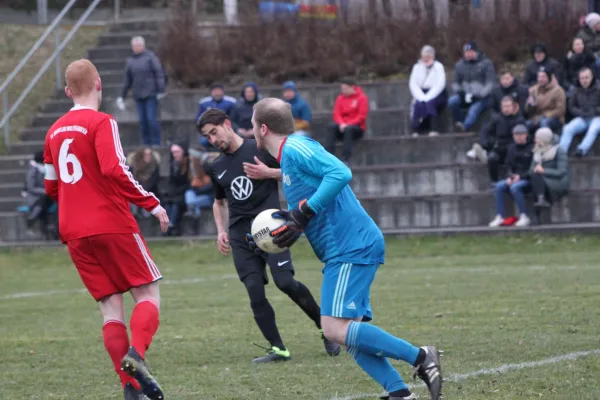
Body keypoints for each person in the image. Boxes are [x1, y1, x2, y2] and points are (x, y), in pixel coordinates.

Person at [249, 98, 443, 400]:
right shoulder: (288, 161)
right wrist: (273, 236)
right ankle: (399, 394)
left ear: (263, 128)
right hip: (347, 247)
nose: (251, 130)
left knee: (334, 329)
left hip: (351, 245)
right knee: (349, 332)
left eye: (251, 124)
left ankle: (420, 357)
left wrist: (306, 211)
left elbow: (340, 173)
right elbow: (305, 213)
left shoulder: (297, 148)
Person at [43, 59, 169, 400]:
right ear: (99, 83)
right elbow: (115, 169)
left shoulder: (53, 131)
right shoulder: (101, 122)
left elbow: (51, 187)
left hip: (74, 231)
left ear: (68, 91)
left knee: (111, 309)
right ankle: (136, 358)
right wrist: (151, 202)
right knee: (147, 293)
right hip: (110, 223)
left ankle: (130, 390)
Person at [196, 108, 340, 363]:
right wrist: (220, 231)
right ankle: (278, 348)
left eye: (214, 132)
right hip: (240, 235)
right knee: (254, 291)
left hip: (270, 230)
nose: (212, 139)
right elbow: (219, 203)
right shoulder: (217, 166)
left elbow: (293, 173)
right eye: (207, 137)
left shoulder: (260, 149)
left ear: (227, 124)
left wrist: (268, 173)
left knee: (285, 283)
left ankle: (325, 329)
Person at [117, 36, 166, 147]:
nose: (136, 48)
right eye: (134, 46)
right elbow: (127, 80)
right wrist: (122, 96)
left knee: (151, 119)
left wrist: (161, 89)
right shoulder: (130, 61)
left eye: (138, 45)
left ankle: (156, 142)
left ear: (143, 46)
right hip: (138, 95)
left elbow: (159, 73)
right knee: (143, 122)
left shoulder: (150, 58)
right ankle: (146, 143)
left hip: (151, 93)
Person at [468, 96, 526, 183]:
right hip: (498, 148)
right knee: (492, 158)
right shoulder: (496, 119)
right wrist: (489, 143)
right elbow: (485, 132)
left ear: (513, 106)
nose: (506, 109)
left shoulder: (519, 119)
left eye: (508, 106)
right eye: (504, 106)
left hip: (512, 149)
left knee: (512, 153)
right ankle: (494, 181)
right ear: (501, 107)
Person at [488, 124, 534, 228]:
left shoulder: (532, 148)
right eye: (516, 135)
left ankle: (524, 216)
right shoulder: (511, 148)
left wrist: (520, 177)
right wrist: (509, 176)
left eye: (521, 134)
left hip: (527, 178)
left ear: (526, 135)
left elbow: (532, 168)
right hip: (514, 177)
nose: (518, 137)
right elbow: (508, 165)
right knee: (499, 186)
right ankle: (500, 216)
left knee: (515, 187)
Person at [448, 40, 496, 132]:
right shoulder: (459, 65)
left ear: (476, 52)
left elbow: (490, 83)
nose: (468, 54)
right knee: (452, 102)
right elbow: (455, 83)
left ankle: (464, 128)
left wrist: (480, 95)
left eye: (470, 52)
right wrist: (460, 92)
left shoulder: (486, 63)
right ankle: (460, 122)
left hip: (481, 97)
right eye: (466, 52)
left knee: (473, 110)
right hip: (465, 96)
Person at [326, 79, 369, 165]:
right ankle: (328, 157)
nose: (343, 91)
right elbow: (336, 114)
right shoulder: (340, 98)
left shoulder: (362, 98)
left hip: (356, 128)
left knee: (349, 130)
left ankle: (345, 159)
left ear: (352, 87)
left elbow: (361, 116)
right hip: (342, 126)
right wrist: (342, 123)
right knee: (331, 127)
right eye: (342, 89)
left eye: (345, 89)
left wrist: (348, 124)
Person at [559, 67, 600, 156]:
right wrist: (580, 112)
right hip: (582, 117)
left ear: (592, 77)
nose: (584, 80)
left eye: (587, 77)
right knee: (568, 128)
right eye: (582, 78)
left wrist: (595, 110)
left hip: (597, 117)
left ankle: (581, 150)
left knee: (594, 129)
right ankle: (561, 153)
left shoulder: (598, 88)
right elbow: (571, 106)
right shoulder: (576, 89)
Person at [408, 45, 447, 136]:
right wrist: (421, 97)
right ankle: (416, 129)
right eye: (424, 56)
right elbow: (413, 84)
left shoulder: (439, 67)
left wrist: (428, 97)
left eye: (428, 56)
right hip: (421, 93)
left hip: (437, 94)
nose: (426, 58)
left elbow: (440, 84)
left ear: (433, 56)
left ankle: (434, 128)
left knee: (431, 103)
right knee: (417, 104)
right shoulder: (417, 67)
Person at [529, 127, 570, 212]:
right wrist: (536, 169)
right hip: (541, 180)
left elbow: (561, 171)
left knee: (536, 179)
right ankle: (540, 200)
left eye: (537, 138)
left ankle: (540, 203)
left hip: (557, 180)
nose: (535, 140)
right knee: (535, 177)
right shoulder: (537, 150)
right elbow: (531, 169)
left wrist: (543, 171)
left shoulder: (559, 150)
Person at [525, 68, 566, 133]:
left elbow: (561, 110)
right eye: (539, 77)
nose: (540, 79)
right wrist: (531, 105)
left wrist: (545, 115)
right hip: (537, 117)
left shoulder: (558, 90)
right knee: (526, 125)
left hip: (555, 118)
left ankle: (545, 142)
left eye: (543, 77)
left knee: (544, 122)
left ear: (549, 78)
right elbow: (528, 111)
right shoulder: (533, 90)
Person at [162, 143, 190, 236]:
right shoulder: (172, 164)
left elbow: (188, 181)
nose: (175, 154)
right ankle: (169, 226)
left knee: (176, 203)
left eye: (177, 152)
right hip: (174, 192)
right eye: (173, 152)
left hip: (184, 190)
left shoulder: (187, 163)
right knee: (167, 202)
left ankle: (171, 224)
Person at [127, 147, 161, 218]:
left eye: (149, 155)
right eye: (145, 155)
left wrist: (143, 192)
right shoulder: (134, 167)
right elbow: (131, 181)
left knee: (147, 212)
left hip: (149, 192)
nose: (148, 157)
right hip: (136, 192)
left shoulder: (154, 166)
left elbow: (153, 182)